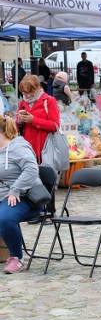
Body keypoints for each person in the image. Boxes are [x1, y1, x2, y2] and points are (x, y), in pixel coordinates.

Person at [0, 115, 44, 274]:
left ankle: (17, 258)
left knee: (4, 218)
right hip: (4, 196)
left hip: (26, 197)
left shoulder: (18, 147)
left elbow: (32, 170)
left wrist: (15, 189)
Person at [17, 75, 60, 164]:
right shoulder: (22, 103)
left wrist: (34, 120)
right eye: (25, 93)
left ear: (38, 87)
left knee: (44, 175)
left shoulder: (49, 101)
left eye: (31, 92)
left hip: (45, 148)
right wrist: (19, 121)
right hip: (27, 148)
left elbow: (55, 126)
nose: (28, 96)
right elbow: (17, 125)